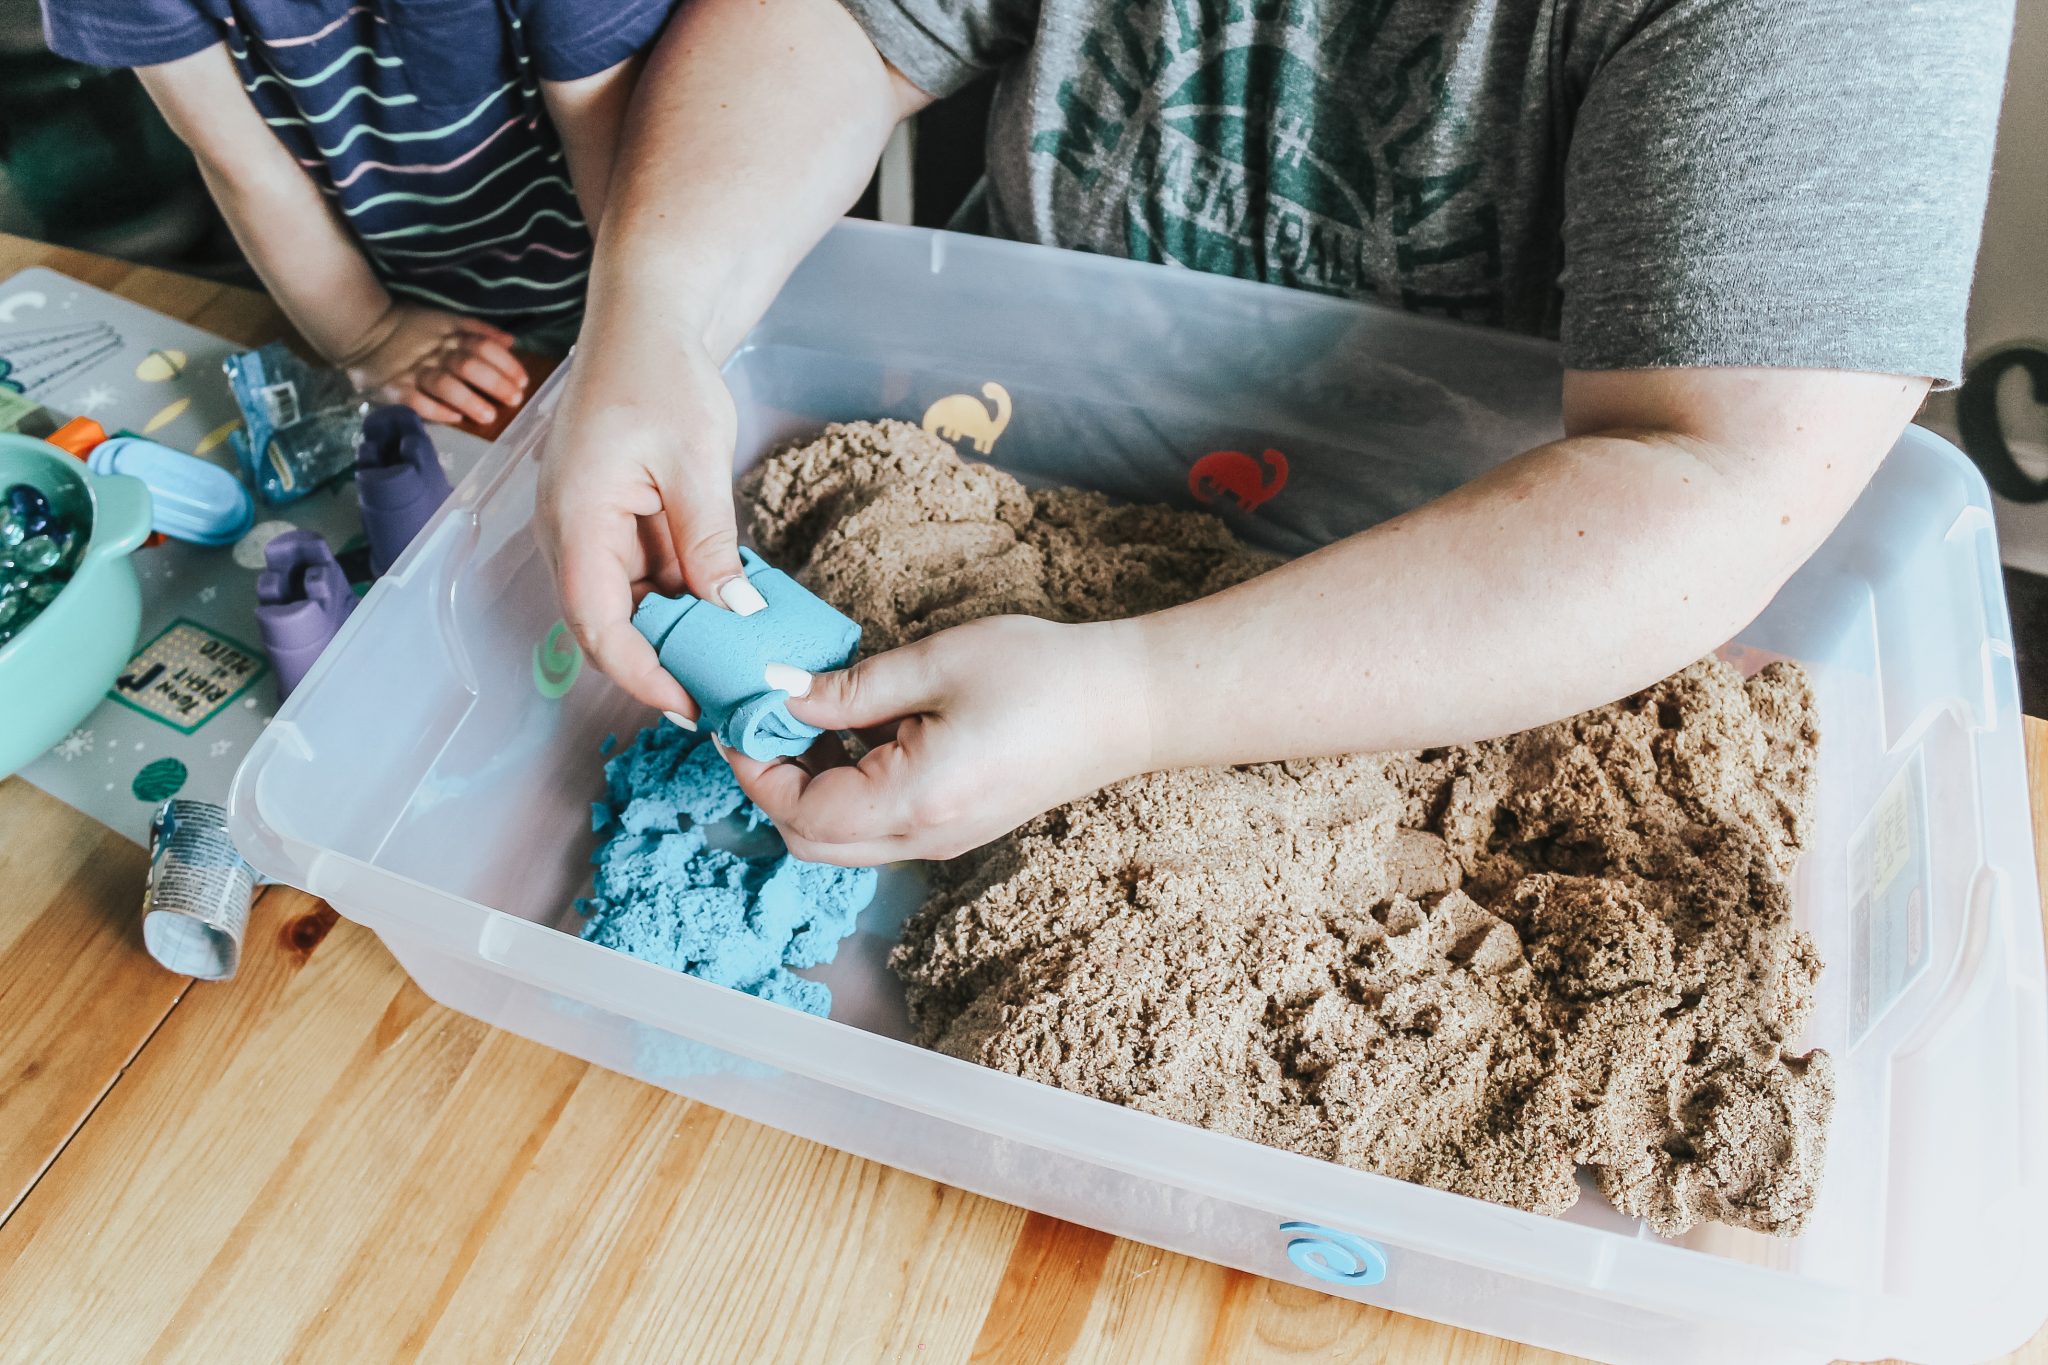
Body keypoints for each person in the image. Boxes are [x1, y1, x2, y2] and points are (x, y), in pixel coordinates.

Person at [538, 0, 2012, 866]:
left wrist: (1133, 702)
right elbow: (846, 27)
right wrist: (655, 314)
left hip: (1470, 625)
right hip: (997, 445)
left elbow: (1712, 468)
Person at [40, 0, 676, 426]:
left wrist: (635, 336)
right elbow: (245, 167)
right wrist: (368, 332)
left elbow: (616, 153)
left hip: (628, 282)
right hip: (385, 292)